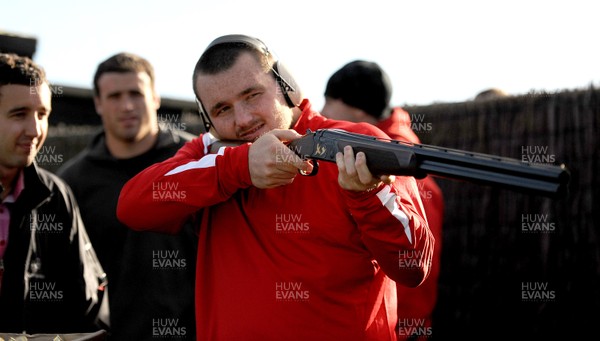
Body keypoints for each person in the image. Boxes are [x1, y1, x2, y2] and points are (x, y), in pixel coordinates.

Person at [117, 34, 434, 341]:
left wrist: (366, 196)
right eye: (222, 109)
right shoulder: (211, 154)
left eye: (252, 95)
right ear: (207, 120)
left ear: (288, 86)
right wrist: (238, 168)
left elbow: (414, 266)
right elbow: (132, 206)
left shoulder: (357, 141)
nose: (243, 120)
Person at [57, 53, 197, 340]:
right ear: (97, 103)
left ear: (155, 97)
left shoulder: (195, 162)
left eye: (136, 93)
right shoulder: (72, 182)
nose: (127, 106)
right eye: (114, 96)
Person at [321, 60, 444, 340]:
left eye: (328, 103)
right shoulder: (401, 152)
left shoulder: (391, 161)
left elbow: (413, 261)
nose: (322, 114)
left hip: (396, 328)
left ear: (356, 110)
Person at [0, 53, 107, 334]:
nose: (35, 129)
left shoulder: (54, 195)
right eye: (19, 114)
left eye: (42, 114)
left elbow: (87, 307)